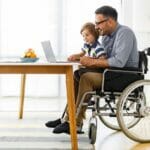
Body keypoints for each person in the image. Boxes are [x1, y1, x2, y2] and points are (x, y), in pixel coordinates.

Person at [45, 5, 139, 134]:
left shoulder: (125, 33)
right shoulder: (105, 36)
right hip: (110, 73)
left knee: (87, 78)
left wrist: (92, 62)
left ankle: (75, 123)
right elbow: (98, 56)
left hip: (123, 75)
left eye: (98, 23)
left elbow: (119, 62)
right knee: (77, 74)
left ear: (110, 21)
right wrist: (81, 58)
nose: (95, 27)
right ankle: (67, 117)